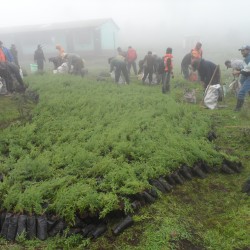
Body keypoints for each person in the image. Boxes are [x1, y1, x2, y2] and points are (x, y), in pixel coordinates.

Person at [233, 45, 250, 111]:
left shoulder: (249, 58)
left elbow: (248, 69)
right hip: (247, 76)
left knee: (241, 92)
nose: (242, 52)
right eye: (241, 51)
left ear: (248, 50)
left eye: (243, 50)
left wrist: (238, 72)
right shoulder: (247, 58)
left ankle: (237, 109)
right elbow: (245, 68)